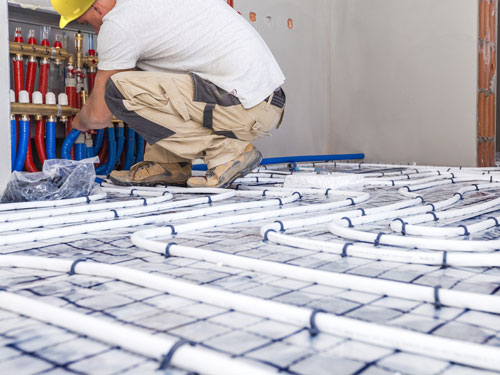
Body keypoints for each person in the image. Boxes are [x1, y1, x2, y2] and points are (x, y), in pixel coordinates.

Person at [50, 0, 286, 188]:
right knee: (143, 71)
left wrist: (78, 122)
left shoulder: (119, 23)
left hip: (245, 107)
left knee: (117, 89)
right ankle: (167, 163)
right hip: (262, 101)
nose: (93, 27)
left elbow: (99, 116)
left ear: (96, 7)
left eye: (87, 21)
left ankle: (226, 154)